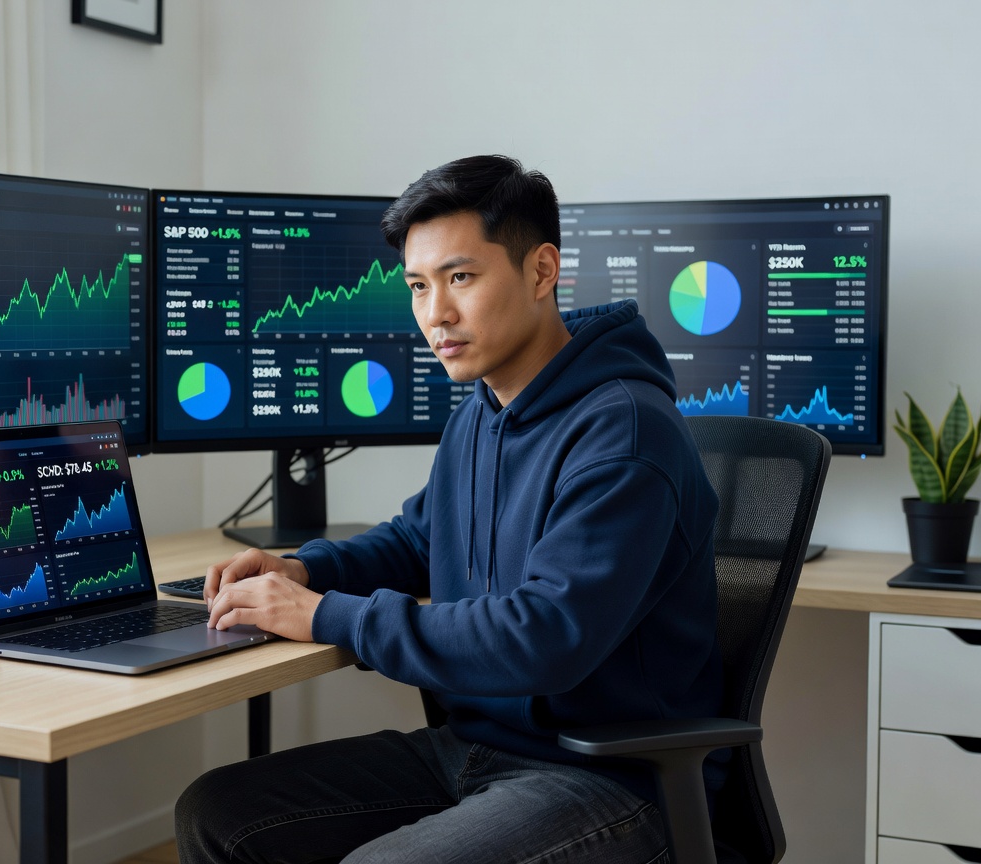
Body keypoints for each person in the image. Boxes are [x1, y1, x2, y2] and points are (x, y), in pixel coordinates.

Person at [175, 154, 723, 864]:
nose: (436, 314)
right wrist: (303, 570)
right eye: (418, 286)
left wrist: (324, 617)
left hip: (612, 778)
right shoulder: (484, 410)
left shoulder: (625, 430)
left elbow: (545, 636)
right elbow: (418, 541)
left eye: (460, 277)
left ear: (540, 271)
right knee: (219, 813)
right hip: (475, 749)